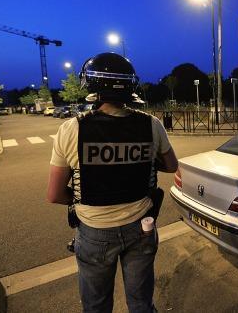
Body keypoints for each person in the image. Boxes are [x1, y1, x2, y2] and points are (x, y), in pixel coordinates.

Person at [46, 52, 178, 313]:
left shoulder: (72, 128)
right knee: (141, 303)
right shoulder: (151, 124)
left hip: (94, 232)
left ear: (93, 86)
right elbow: (172, 166)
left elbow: (54, 194)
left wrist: (77, 198)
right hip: (142, 227)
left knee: (96, 306)